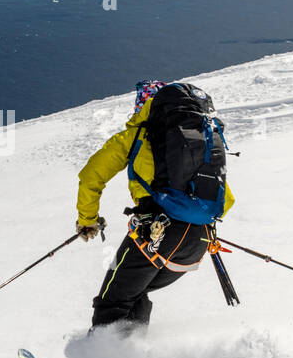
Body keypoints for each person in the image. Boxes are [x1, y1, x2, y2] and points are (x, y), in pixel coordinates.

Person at [73, 80, 235, 339]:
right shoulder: (198, 136)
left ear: (143, 105)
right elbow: (226, 200)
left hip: (156, 234)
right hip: (199, 240)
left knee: (112, 300)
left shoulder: (137, 134)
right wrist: (190, 214)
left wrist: (88, 220)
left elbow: (91, 177)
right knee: (133, 293)